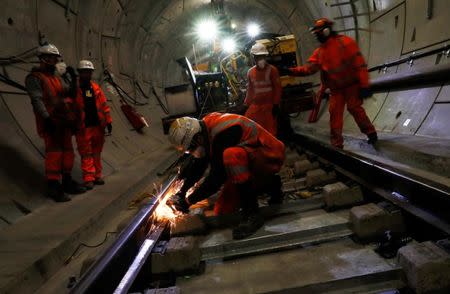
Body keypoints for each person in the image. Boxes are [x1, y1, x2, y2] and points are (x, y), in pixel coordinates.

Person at [168, 112, 285, 239]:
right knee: (223, 211)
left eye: (190, 149)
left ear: (198, 139)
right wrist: (182, 192)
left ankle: (253, 214)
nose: (191, 152)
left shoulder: (224, 134)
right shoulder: (205, 130)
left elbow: (217, 178)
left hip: (269, 155)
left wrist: (188, 201)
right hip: (252, 156)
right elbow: (199, 165)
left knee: (231, 156)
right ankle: (270, 184)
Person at [287, 18, 378, 148]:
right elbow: (309, 69)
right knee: (335, 115)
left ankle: (371, 133)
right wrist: (290, 71)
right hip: (336, 90)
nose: (317, 36)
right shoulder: (320, 52)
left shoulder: (345, 43)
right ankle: (337, 144)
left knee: (355, 109)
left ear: (326, 31)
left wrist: (365, 85)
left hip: (351, 86)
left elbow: (360, 65)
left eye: (318, 33)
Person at [25, 44, 85, 202]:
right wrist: (47, 119)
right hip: (51, 122)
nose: (54, 61)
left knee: (67, 152)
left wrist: (73, 78)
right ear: (43, 59)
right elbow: (36, 101)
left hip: (63, 121)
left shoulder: (55, 78)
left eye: (55, 58)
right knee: (54, 153)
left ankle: (66, 181)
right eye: (50, 58)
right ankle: (53, 186)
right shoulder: (35, 78)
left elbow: (69, 92)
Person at [75, 60, 112, 190]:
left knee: (96, 152)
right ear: (80, 73)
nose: (87, 74)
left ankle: (97, 175)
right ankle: (88, 178)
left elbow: (104, 106)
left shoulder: (95, 88)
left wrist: (108, 121)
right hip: (83, 127)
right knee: (86, 153)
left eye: (89, 72)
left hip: (97, 126)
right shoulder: (75, 89)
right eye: (84, 72)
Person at [244, 43, 282, 136]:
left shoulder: (272, 70)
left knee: (270, 131)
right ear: (253, 57)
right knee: (247, 126)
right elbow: (250, 90)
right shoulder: (250, 72)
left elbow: (277, 88)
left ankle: (271, 148)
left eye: (262, 56)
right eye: (257, 57)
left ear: (265, 56)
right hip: (256, 106)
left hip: (268, 106)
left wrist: (276, 104)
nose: (260, 59)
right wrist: (246, 104)